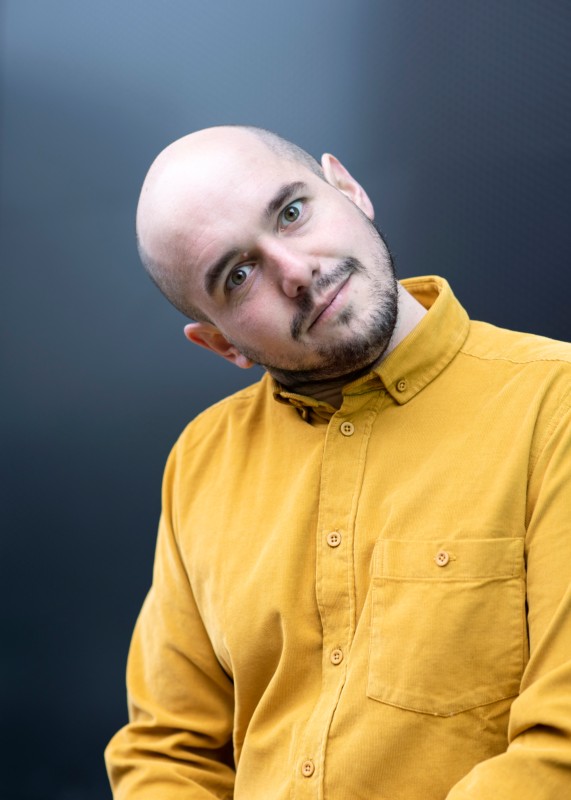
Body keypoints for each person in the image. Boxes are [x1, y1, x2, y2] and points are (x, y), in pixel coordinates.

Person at [105, 125, 571, 799]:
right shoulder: (201, 460)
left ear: (348, 188)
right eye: (238, 276)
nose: (296, 272)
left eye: (291, 212)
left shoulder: (555, 404)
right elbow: (165, 752)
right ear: (221, 344)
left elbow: (560, 747)